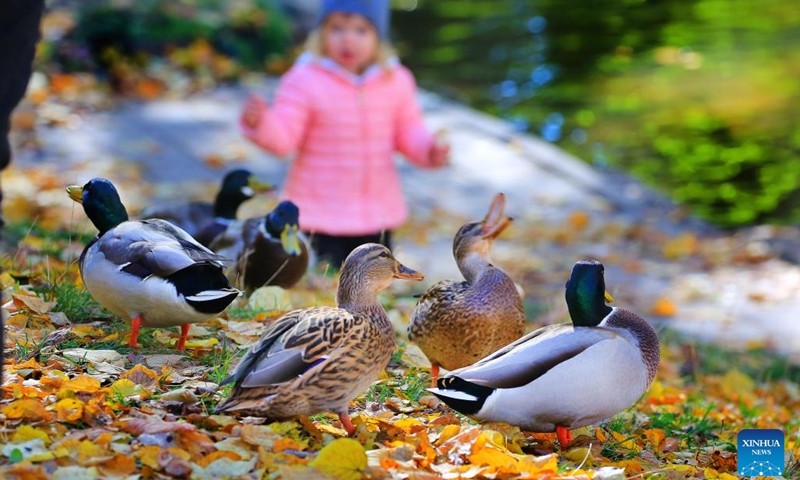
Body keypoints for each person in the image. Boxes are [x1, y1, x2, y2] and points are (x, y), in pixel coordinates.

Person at [240, 0, 449, 267]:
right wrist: (261, 123)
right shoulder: (304, 79)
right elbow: (283, 138)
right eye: (336, 28)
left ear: (379, 36)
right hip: (319, 217)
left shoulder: (395, 80)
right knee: (324, 287)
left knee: (373, 287)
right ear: (321, 33)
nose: (348, 39)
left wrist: (429, 150)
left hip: (376, 214)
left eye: (361, 30)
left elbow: (409, 131)